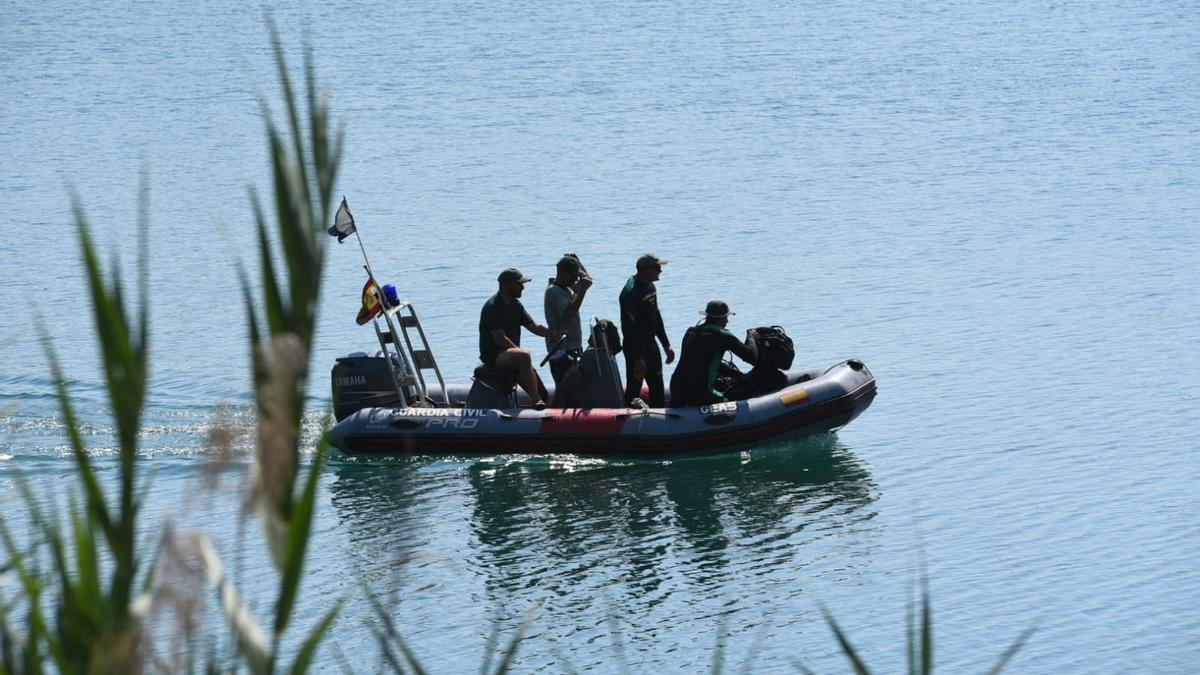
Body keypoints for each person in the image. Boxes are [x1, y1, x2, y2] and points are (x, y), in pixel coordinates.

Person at [479, 268, 562, 409]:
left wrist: (553, 334)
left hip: (513, 355)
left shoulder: (516, 306)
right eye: (519, 284)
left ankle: (538, 404)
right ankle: (536, 400)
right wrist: (521, 354)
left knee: (544, 393)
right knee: (523, 356)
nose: (523, 287)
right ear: (506, 285)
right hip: (494, 355)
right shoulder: (492, 307)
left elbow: (534, 327)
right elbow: (500, 339)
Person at [668, 300, 758, 407]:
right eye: (726, 317)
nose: (727, 321)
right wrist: (751, 337)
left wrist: (739, 376)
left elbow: (705, 362)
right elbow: (751, 357)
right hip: (701, 392)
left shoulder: (691, 332)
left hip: (676, 387)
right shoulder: (723, 335)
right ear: (720, 319)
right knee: (730, 399)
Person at [619, 252, 675, 407]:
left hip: (651, 344)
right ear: (647, 269)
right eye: (657, 268)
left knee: (657, 385)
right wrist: (637, 358)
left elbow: (655, 314)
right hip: (635, 347)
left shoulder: (650, 285)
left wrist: (666, 344)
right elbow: (627, 328)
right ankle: (629, 422)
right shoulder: (630, 292)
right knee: (634, 389)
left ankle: (660, 421)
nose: (660, 271)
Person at [543, 253, 593, 389]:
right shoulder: (554, 291)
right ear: (562, 273)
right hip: (561, 351)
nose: (576, 279)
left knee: (577, 387)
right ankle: (555, 408)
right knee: (565, 387)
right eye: (573, 275)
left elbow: (587, 280)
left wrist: (577, 261)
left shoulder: (568, 287)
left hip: (574, 347)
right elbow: (569, 311)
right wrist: (582, 290)